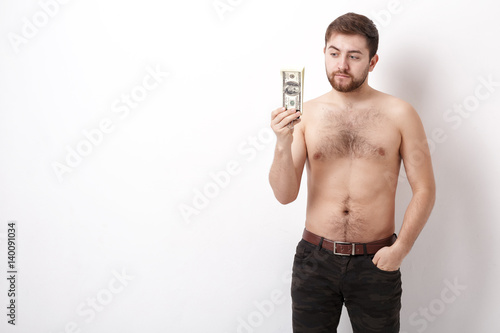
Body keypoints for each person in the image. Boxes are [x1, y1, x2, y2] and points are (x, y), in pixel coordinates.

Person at [269, 12, 436, 333]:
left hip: (376, 261)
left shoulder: (400, 113)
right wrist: (281, 142)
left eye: (353, 56)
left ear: (372, 62)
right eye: (334, 53)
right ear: (324, 54)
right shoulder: (306, 114)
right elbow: (284, 195)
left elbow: (425, 189)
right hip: (314, 260)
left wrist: (400, 250)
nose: (341, 64)